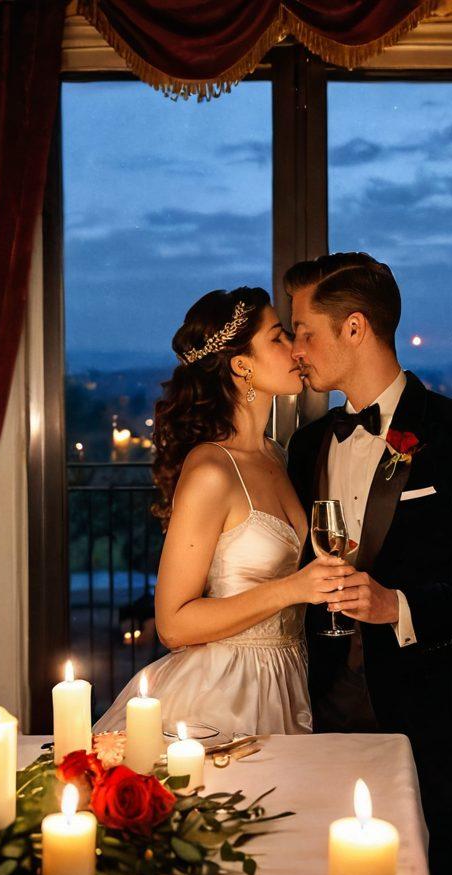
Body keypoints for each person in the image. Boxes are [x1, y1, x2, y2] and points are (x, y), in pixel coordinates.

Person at [285, 253, 452, 875]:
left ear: (354, 328)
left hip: (439, 717)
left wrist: (399, 607)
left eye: (305, 330)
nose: (296, 349)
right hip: (326, 714)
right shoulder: (309, 444)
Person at [96, 287, 352, 736]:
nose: (295, 347)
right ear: (241, 365)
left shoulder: (277, 455)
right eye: (278, 337)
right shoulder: (211, 470)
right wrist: (294, 589)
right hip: (225, 693)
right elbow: (173, 625)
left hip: (285, 678)